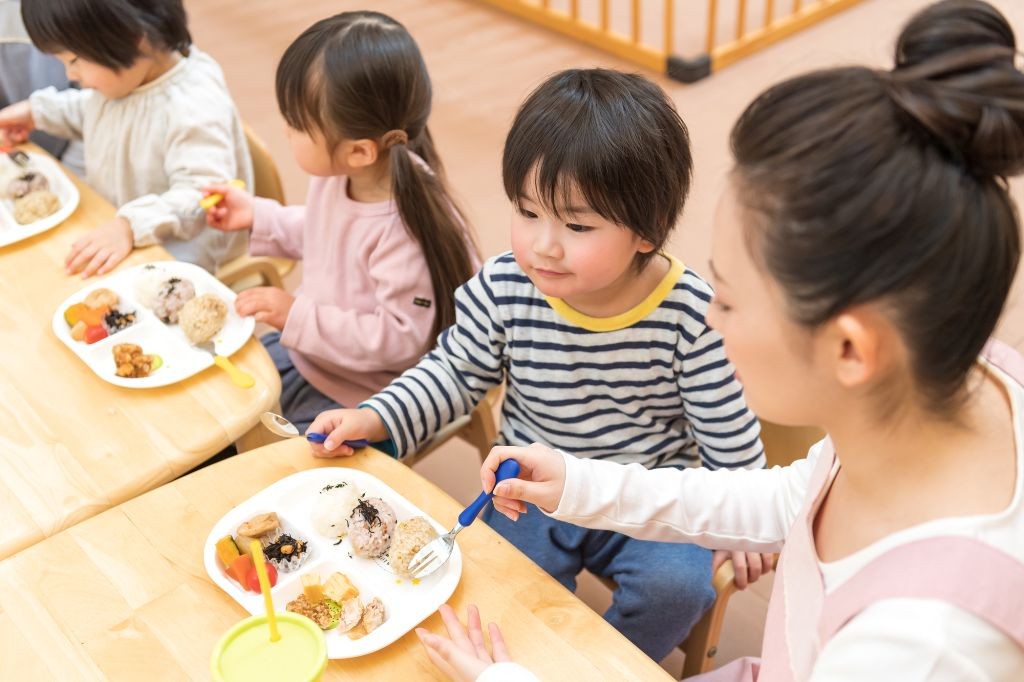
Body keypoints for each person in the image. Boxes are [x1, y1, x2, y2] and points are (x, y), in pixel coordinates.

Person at [448, 1, 1024, 679]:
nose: (708, 321)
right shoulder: (952, 377)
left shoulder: (919, 650)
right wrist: (577, 482)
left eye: (727, 297)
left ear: (848, 349)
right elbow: (795, 498)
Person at [309, 68, 767, 661]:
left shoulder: (690, 316)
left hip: (647, 497)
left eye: (577, 225)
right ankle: (528, 665)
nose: (543, 245)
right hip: (528, 486)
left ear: (647, 232)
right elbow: (454, 373)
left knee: (678, 589)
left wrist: (749, 516)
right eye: (527, 212)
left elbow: (727, 429)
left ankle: (603, 670)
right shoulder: (507, 284)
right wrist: (375, 418)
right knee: (497, 581)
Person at [204, 11, 480, 432]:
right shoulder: (343, 177)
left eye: (297, 125)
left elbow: (399, 340)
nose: (286, 131)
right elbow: (327, 236)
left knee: (254, 451)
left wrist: (296, 316)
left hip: (365, 391)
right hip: (314, 351)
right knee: (214, 404)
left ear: (359, 151)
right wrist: (259, 215)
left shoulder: (404, 228)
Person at [0, 0, 251, 276]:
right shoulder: (128, 79)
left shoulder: (192, 104)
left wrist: (131, 226)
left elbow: (202, 196)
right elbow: (98, 113)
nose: (70, 75)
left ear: (133, 39)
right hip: (116, 223)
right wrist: (37, 113)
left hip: (176, 255)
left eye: (73, 60)